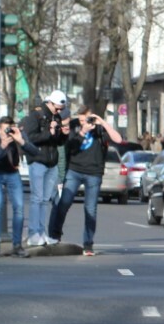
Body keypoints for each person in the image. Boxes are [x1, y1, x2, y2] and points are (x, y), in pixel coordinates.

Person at [45, 109, 122, 256]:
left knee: (90, 209)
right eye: (81, 120)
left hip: (94, 173)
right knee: (64, 203)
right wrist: (82, 130)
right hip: (75, 170)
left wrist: (102, 121)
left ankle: (88, 244)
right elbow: (70, 146)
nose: (84, 123)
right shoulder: (74, 126)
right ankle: (55, 236)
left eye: (86, 120)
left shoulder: (99, 128)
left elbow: (118, 139)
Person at [20, 90, 69, 246]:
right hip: (38, 161)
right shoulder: (35, 115)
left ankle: (41, 232)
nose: (59, 111)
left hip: (51, 162)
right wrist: (50, 132)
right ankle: (33, 233)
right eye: (58, 108)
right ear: (51, 103)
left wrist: (63, 134)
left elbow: (58, 142)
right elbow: (30, 138)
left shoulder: (56, 117)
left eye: (62, 109)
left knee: (45, 200)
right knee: (36, 198)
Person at [0, 116, 33, 258]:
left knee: (19, 207)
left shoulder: (16, 134)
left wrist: (21, 141)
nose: (6, 132)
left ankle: (17, 245)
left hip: (12, 174)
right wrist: (2, 146)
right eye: (4, 129)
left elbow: (34, 151)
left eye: (8, 129)